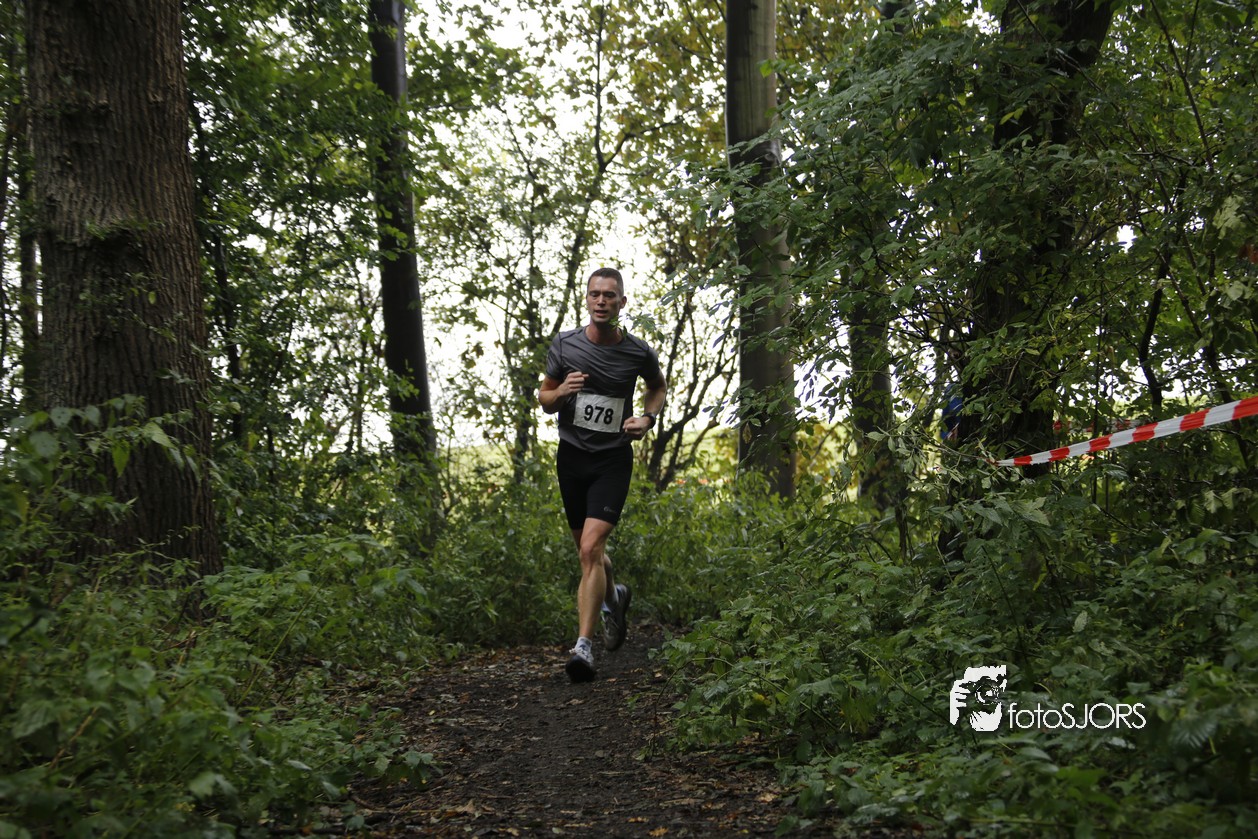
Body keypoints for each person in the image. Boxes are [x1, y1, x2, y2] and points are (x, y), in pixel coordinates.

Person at [538, 267, 667, 683]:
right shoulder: (566, 344)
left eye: (609, 295)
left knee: (591, 548)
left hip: (612, 461)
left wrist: (647, 419)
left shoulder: (637, 351)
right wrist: (562, 392)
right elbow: (545, 398)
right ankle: (615, 597)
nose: (601, 301)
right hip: (571, 459)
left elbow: (658, 386)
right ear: (587, 299)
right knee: (588, 553)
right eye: (595, 294)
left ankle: (583, 647)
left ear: (621, 302)